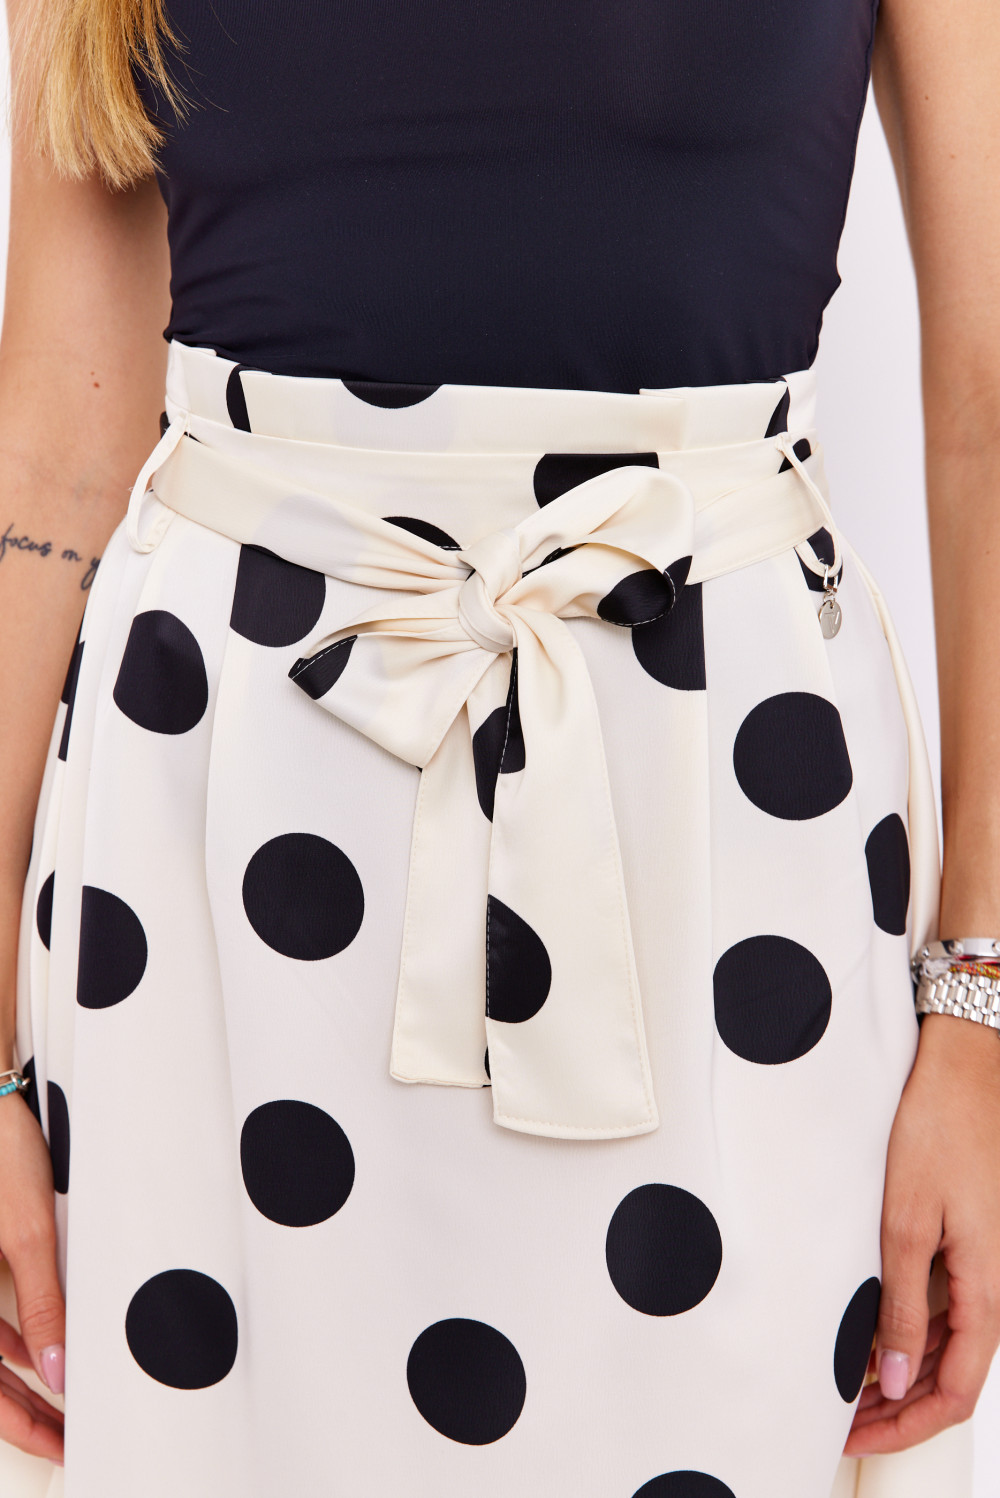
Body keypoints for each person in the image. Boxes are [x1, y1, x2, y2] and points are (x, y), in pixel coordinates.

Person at [0, 0, 998, 1494]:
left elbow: (987, 407)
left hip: (726, 841)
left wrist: (983, 1005)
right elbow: (54, 454)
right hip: (207, 854)